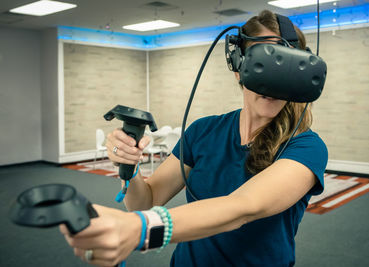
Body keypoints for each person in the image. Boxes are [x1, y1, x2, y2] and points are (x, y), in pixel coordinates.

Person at [60, 9, 328, 267]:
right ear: (237, 66)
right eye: (264, 64)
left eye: (286, 68)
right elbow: (145, 203)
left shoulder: (306, 147)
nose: (274, 83)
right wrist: (129, 167)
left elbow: (244, 206)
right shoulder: (203, 131)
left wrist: (140, 229)